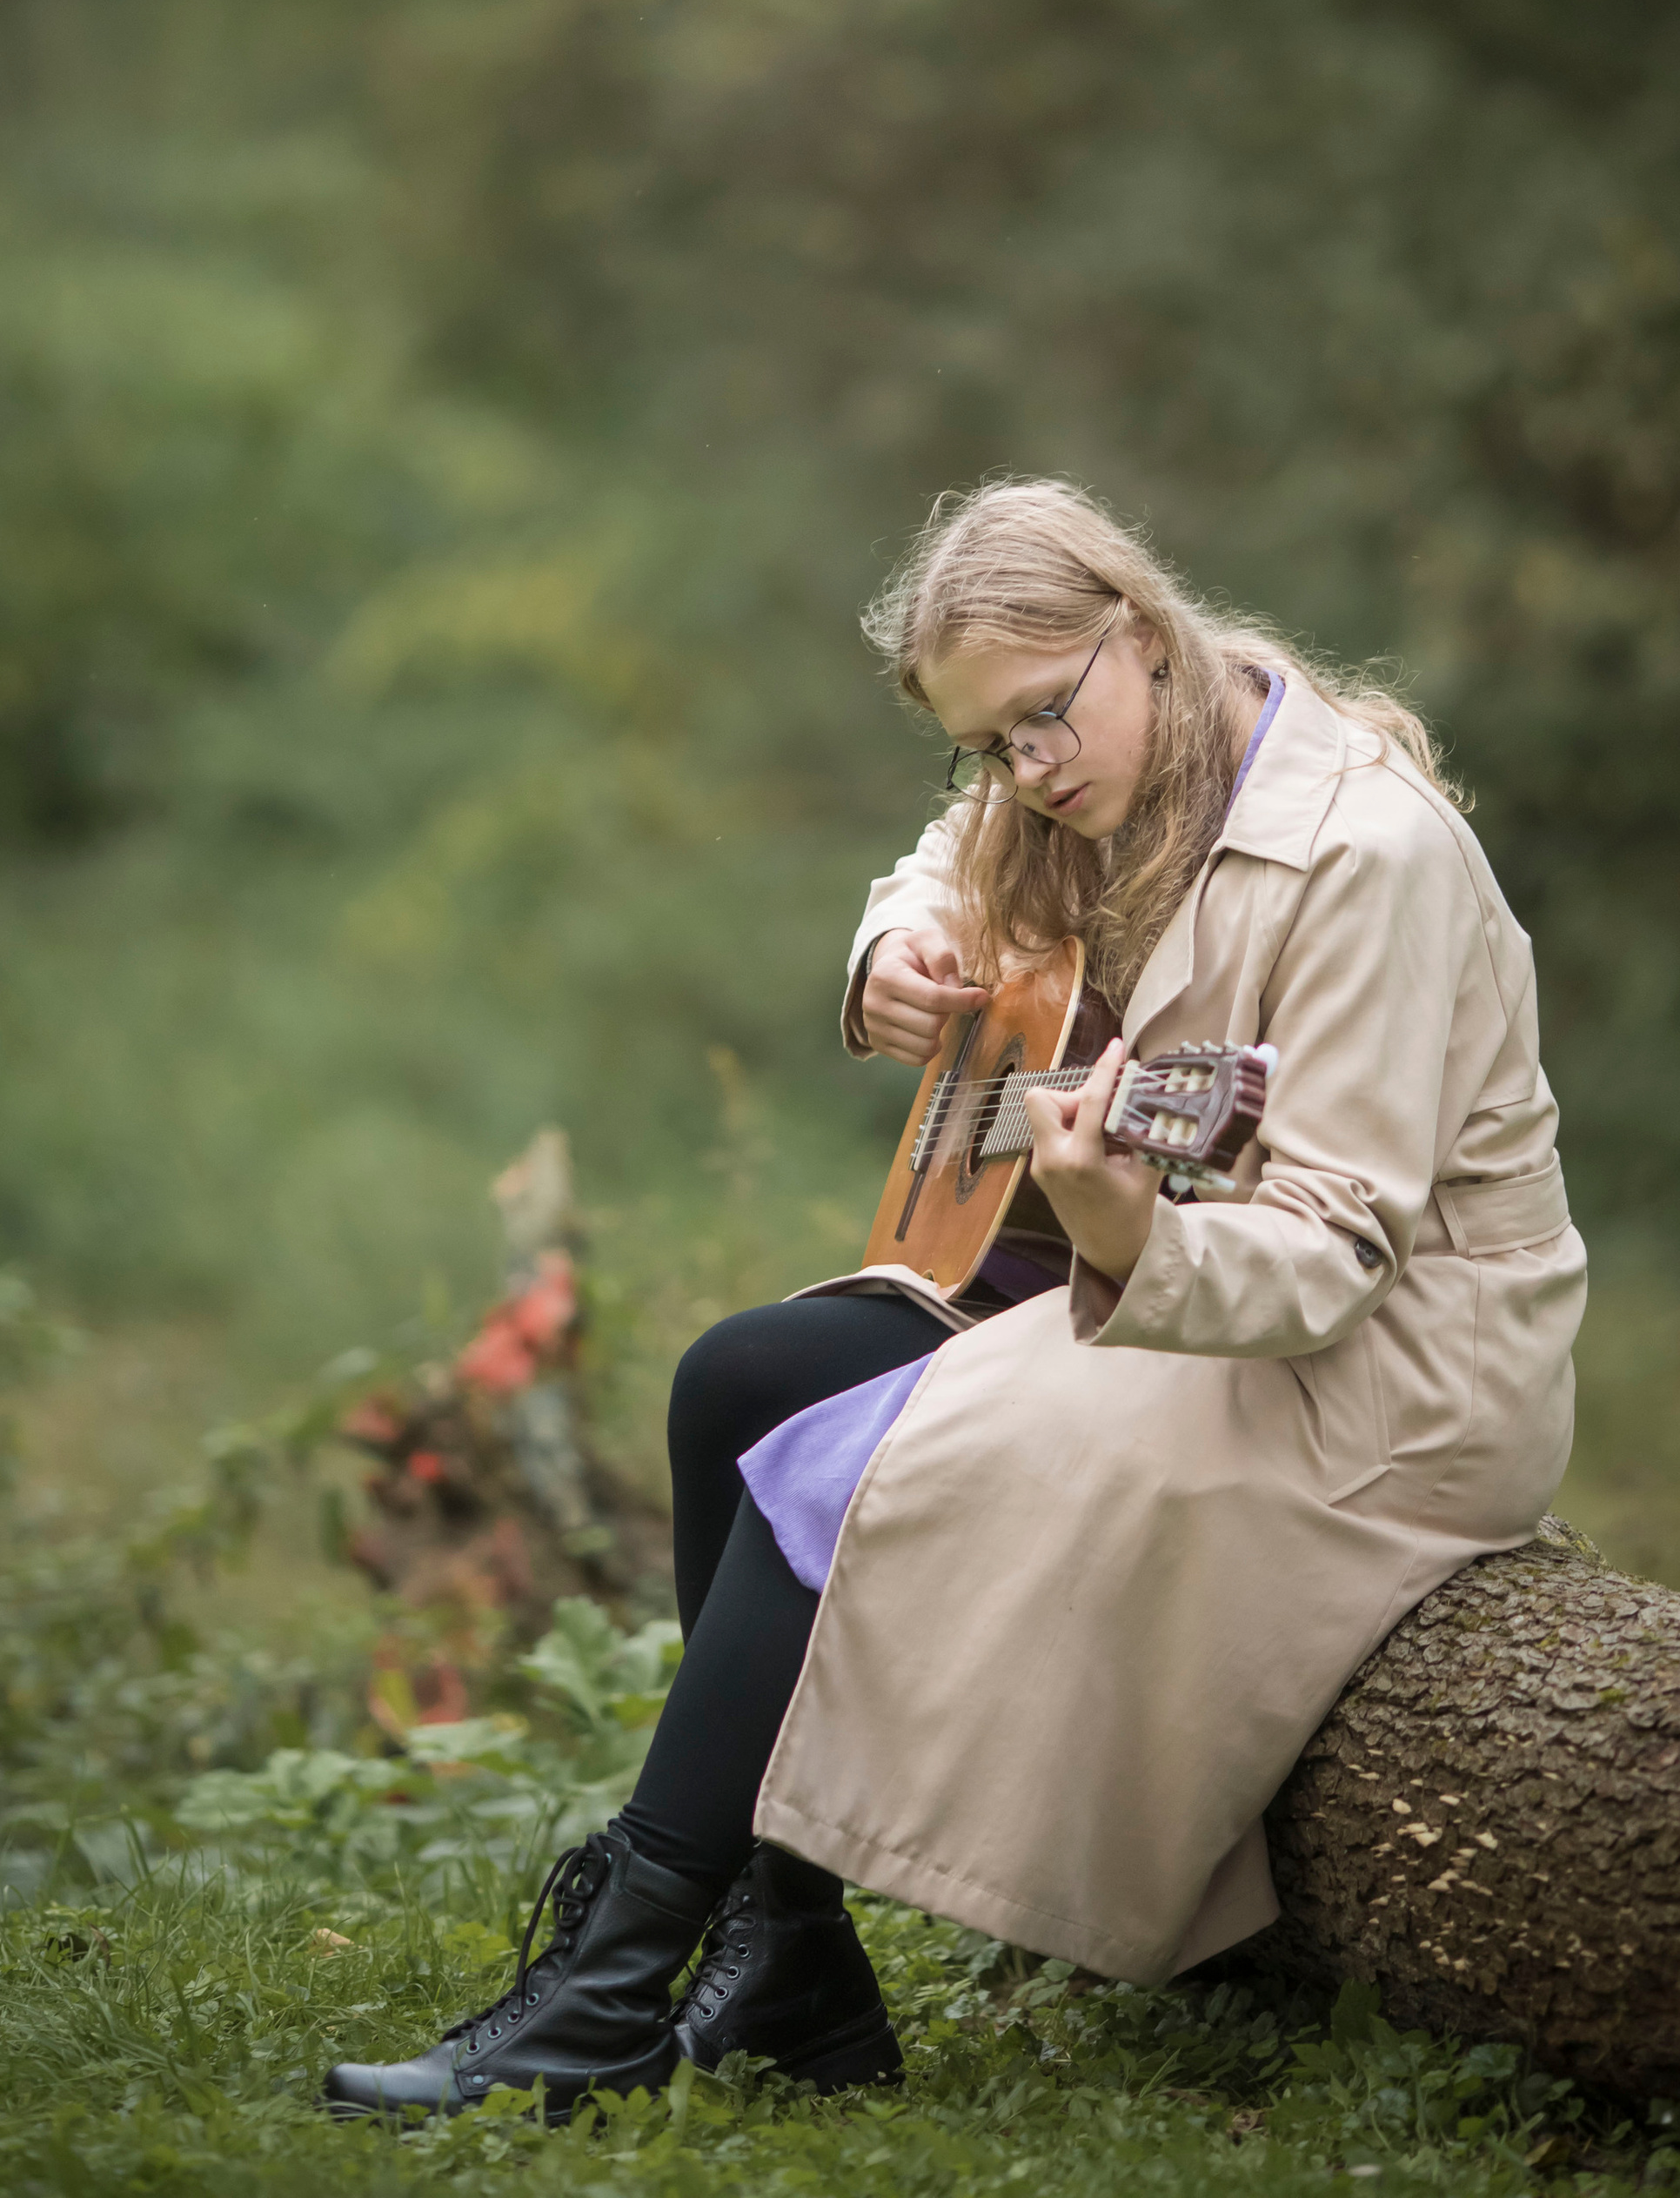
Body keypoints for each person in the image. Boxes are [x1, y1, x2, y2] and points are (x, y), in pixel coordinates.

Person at [324, 478, 1587, 2121]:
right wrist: (894, 957)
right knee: (738, 1383)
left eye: (1047, 720)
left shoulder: (1367, 852)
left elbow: (1339, 1248)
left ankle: (606, 1998)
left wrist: (1126, 1226)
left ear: (1139, 633)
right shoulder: (1071, 777)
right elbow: (941, 866)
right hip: (1137, 1276)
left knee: (852, 1462)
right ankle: (793, 1964)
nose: (1028, 773)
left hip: (1384, 1368)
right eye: (989, 745)